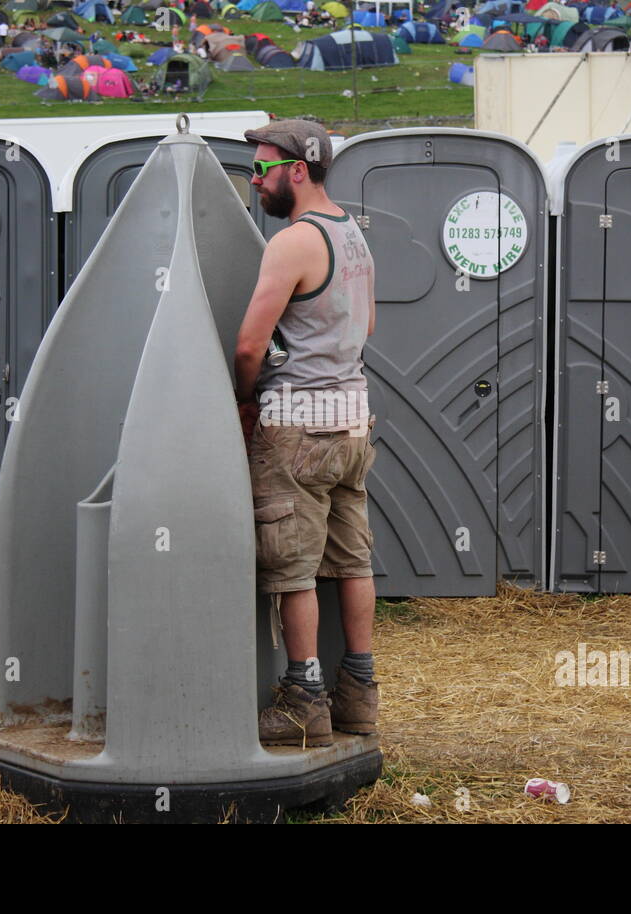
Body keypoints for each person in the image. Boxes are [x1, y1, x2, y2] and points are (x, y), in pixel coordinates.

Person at [235, 120, 380, 747]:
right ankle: (359, 696)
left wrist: (245, 401)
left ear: (298, 169)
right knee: (352, 562)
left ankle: (303, 702)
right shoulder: (353, 234)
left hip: (295, 430)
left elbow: (249, 344)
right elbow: (366, 326)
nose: (255, 179)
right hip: (352, 427)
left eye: (263, 168)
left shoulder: (294, 241)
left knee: (291, 569)